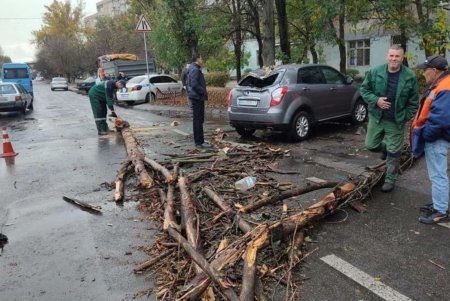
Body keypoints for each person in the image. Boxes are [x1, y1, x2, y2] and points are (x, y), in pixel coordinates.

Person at [360, 44, 419, 192]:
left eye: (397, 56)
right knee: (371, 145)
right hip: (377, 117)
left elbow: (413, 102)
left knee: (394, 152)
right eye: (391, 55)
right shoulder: (375, 71)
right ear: (387, 56)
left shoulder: (409, 76)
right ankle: (386, 148)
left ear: (402, 58)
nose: (394, 59)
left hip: (396, 120)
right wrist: (376, 100)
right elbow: (364, 89)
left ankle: (390, 179)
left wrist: (405, 116)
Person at [411, 55, 450, 224]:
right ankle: (438, 204)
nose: (423, 74)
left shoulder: (444, 87)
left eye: (425, 70)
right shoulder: (442, 83)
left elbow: (440, 118)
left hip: (436, 138)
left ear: (434, 71)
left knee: (438, 175)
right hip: (437, 137)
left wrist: (426, 135)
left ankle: (441, 211)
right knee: (437, 174)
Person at [187, 54, 211, 148]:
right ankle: (199, 142)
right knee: (198, 120)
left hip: (196, 97)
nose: (202, 59)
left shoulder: (194, 68)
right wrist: (203, 92)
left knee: (198, 120)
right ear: (197, 59)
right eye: (201, 58)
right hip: (197, 98)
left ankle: (200, 141)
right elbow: (194, 84)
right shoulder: (195, 69)